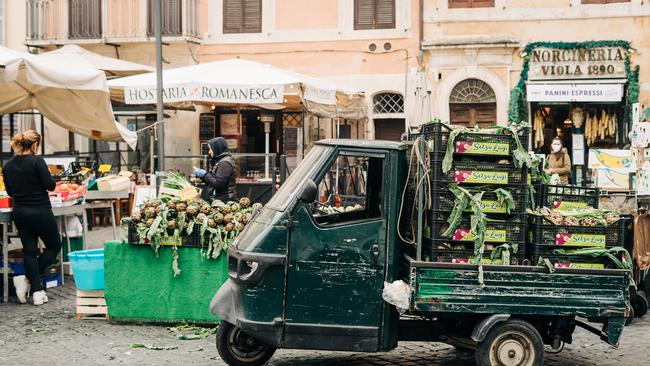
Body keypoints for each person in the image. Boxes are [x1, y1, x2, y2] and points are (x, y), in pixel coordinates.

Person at [2, 130, 61, 305]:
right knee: (54, 245)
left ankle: (36, 291)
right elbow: (50, 186)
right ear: (35, 145)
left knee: (29, 251)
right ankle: (28, 279)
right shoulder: (37, 161)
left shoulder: (8, 165)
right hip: (40, 211)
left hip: (20, 212)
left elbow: (11, 192)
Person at [193, 137, 236, 203]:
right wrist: (202, 179)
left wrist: (204, 174)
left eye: (210, 149)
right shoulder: (222, 161)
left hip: (224, 201)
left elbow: (218, 184)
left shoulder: (224, 163)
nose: (209, 152)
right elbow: (214, 179)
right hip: (220, 200)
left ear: (217, 149)